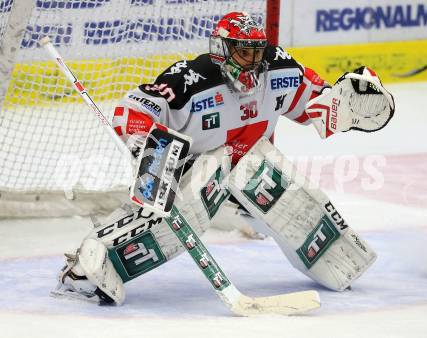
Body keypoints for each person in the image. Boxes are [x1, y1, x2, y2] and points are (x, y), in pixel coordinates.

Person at [53, 12, 395, 305]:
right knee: (191, 201)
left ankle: (335, 257)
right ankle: (84, 268)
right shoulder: (190, 80)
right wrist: (144, 140)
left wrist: (343, 104)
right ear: (222, 50)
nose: (254, 61)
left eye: (258, 52)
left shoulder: (278, 69)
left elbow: (315, 105)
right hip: (197, 167)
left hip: (248, 164)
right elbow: (136, 108)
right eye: (244, 53)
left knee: (286, 194)